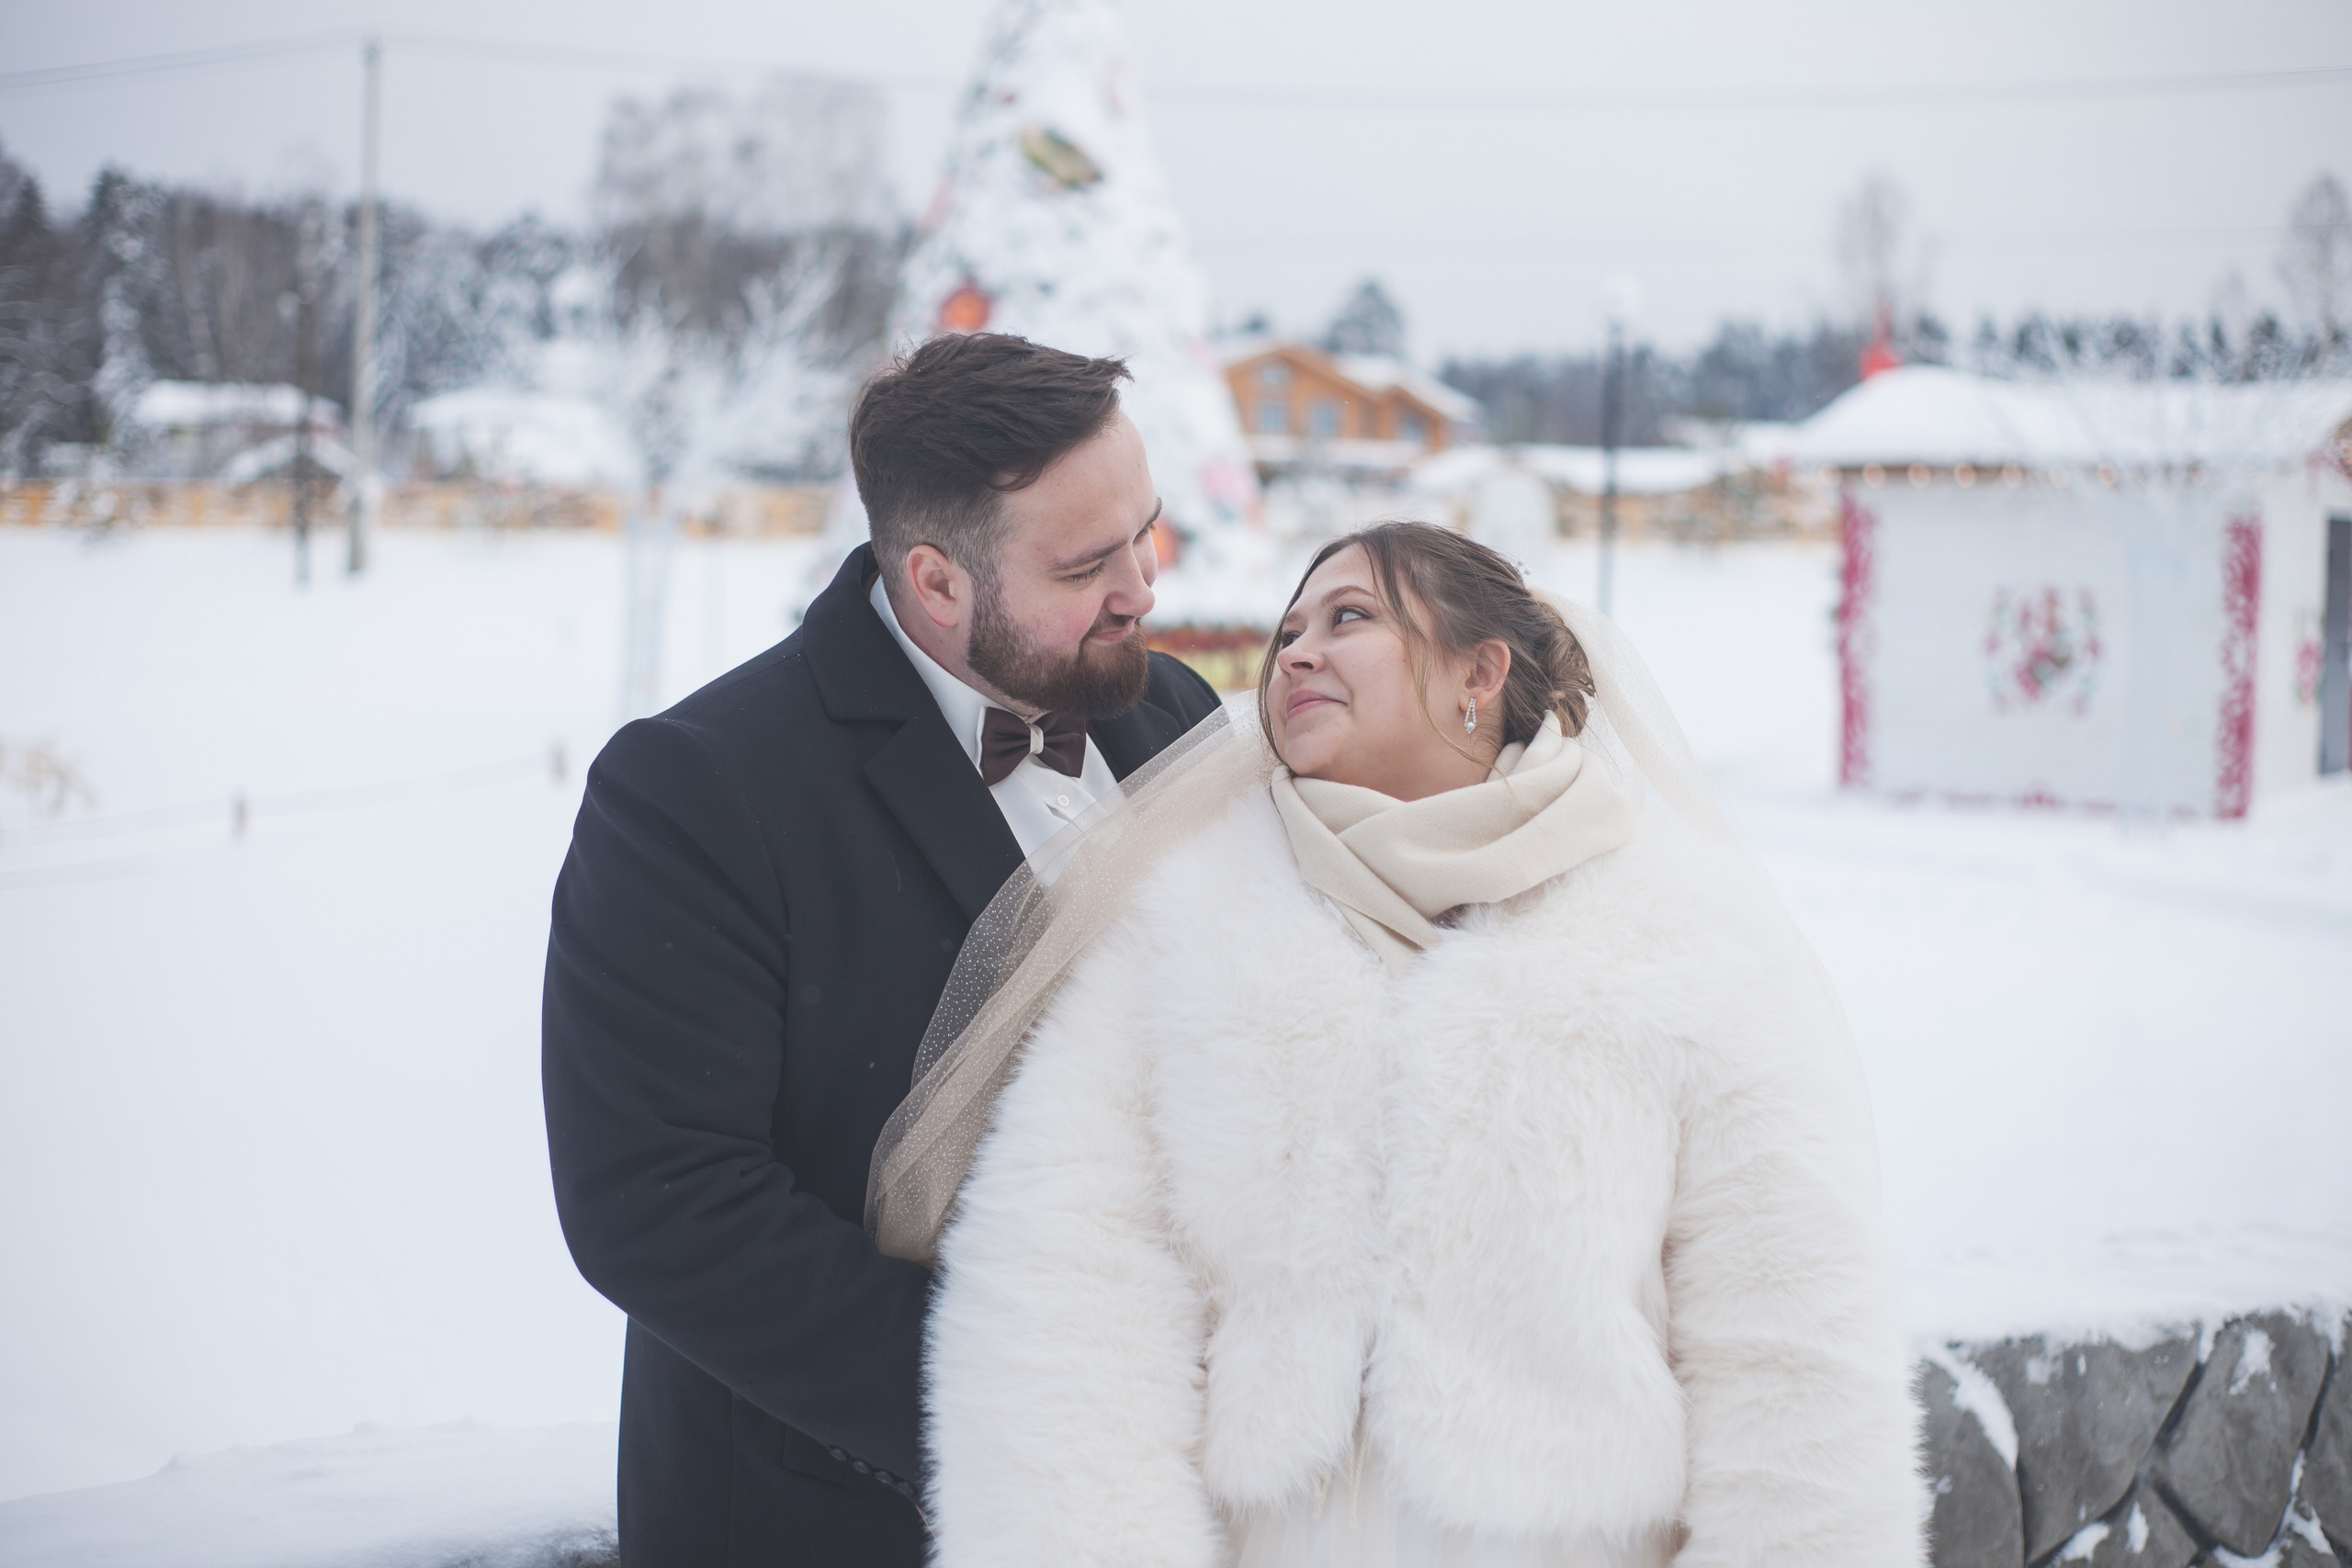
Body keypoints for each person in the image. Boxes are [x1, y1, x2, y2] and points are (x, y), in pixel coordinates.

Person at [901, 522, 1925, 1567]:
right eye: (1287, 630)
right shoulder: (1178, 932)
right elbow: (1064, 1306)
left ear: (1480, 671)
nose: (1294, 652)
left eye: (1349, 619)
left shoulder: (1685, 938)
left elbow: (1796, 1343)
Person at [540, 332, 1223, 1567]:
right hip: (841, 1513)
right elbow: (660, 1202)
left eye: (1147, 531)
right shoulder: (697, 789)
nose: (1144, 588)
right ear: (935, 579)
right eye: (1087, 563)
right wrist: (1033, 1403)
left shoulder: (1170, 708)